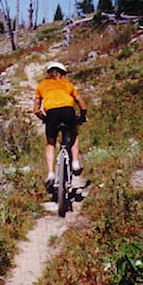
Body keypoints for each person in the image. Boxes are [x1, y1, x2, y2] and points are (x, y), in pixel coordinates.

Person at [33, 61, 87, 192]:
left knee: (51, 143)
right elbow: (81, 103)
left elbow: (36, 110)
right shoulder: (67, 84)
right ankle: (75, 163)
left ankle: (51, 173)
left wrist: (44, 118)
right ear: (63, 74)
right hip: (68, 111)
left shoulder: (42, 85)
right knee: (73, 134)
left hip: (51, 114)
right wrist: (83, 115)